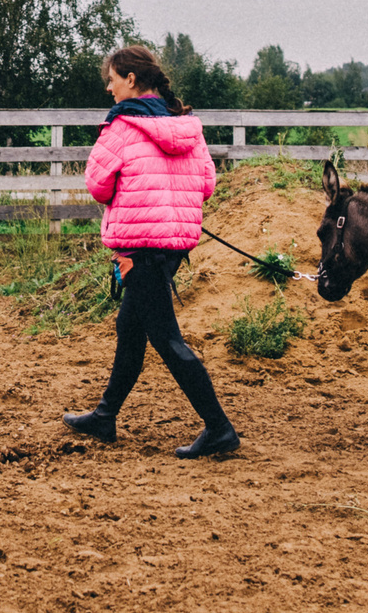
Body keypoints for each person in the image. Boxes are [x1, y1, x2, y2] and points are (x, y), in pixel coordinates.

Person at [61, 44, 240, 459]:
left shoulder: (121, 127)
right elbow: (208, 185)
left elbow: (98, 185)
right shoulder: (186, 126)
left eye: (111, 79)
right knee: (131, 328)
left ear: (130, 79)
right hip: (173, 245)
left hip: (139, 246)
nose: (108, 88)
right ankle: (105, 416)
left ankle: (219, 428)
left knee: (166, 338)